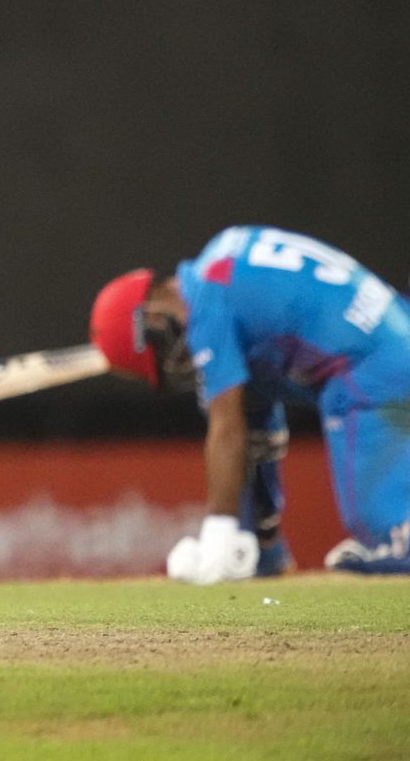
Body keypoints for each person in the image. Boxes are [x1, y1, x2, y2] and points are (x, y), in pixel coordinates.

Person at [90, 225, 410, 584]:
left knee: (378, 527)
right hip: (395, 326)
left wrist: (219, 531)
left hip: (375, 367)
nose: (177, 363)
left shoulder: (208, 306)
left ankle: (398, 537)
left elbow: (226, 428)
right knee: (250, 399)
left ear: (151, 320)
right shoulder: (226, 247)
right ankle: (262, 546)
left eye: (162, 355)